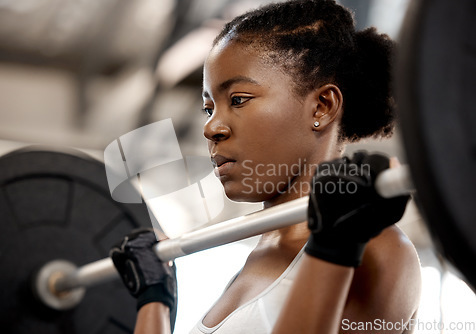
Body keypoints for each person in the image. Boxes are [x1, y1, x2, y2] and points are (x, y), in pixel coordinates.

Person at [110, 0, 422, 333]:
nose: (211, 128)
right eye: (208, 108)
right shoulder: (258, 256)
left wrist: (335, 246)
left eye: (238, 99)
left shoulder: (376, 249)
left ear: (322, 106)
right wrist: (155, 299)